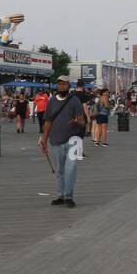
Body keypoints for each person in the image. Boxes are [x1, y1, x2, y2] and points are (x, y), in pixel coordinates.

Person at [39, 75, 85, 208]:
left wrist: (77, 121)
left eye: (64, 84)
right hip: (56, 140)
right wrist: (44, 139)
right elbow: (47, 122)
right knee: (60, 170)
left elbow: (82, 121)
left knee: (71, 168)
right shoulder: (52, 101)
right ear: (57, 86)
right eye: (59, 84)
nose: (61, 86)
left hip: (74, 139)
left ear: (69, 86)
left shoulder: (74, 100)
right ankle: (61, 195)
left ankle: (69, 196)